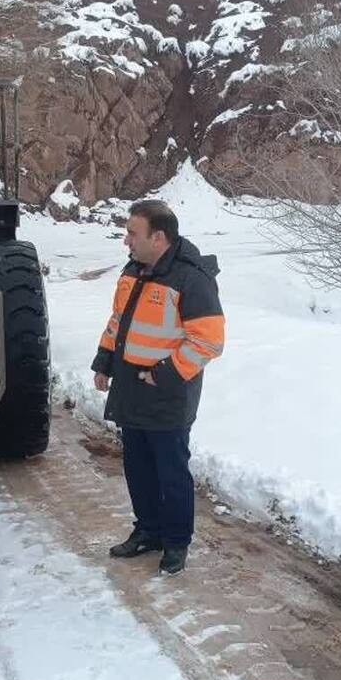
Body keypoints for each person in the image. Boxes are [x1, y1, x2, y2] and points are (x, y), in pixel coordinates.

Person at [91, 200, 225, 575]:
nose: (126, 241)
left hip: (167, 394)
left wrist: (162, 374)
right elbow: (119, 321)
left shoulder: (191, 279)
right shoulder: (134, 270)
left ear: (159, 237)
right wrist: (104, 361)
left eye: (132, 233)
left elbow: (208, 341)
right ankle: (148, 530)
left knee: (171, 471)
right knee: (138, 468)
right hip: (131, 390)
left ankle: (176, 542)